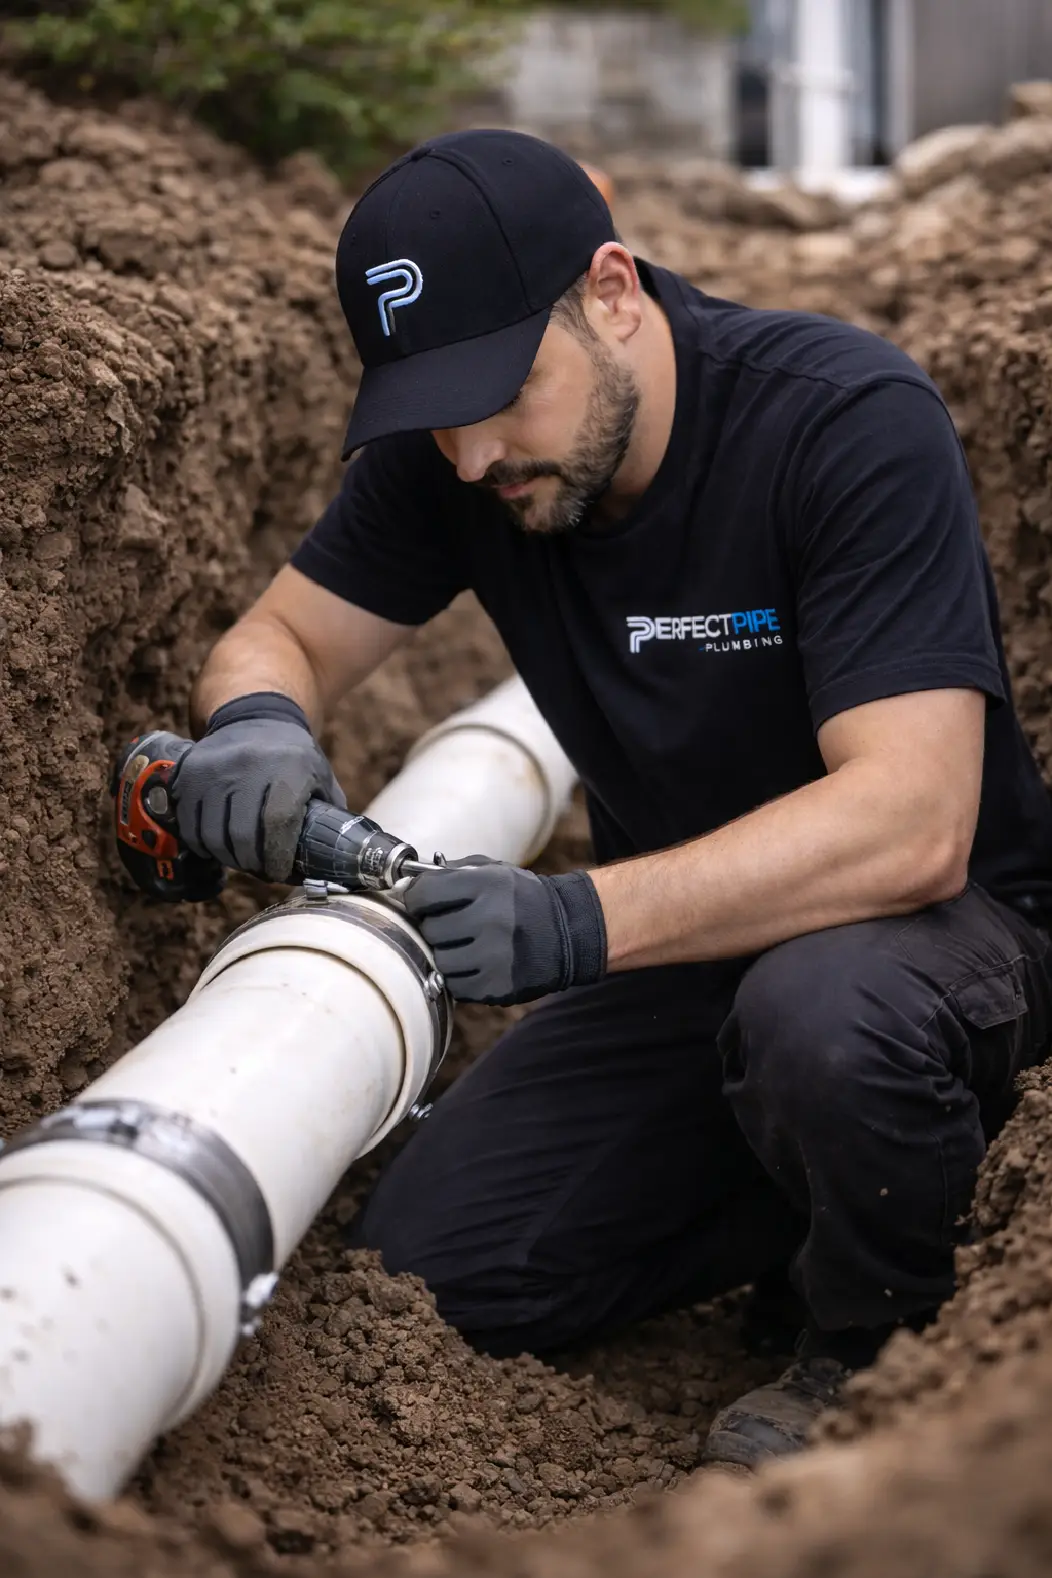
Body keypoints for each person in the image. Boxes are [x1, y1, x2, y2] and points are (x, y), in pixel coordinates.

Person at [171, 129, 1052, 1468]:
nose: (472, 455)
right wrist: (257, 724)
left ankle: (878, 1334)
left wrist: (571, 923)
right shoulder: (460, 456)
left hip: (941, 949)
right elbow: (270, 637)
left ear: (614, 290)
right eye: (436, 415)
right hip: (693, 964)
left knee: (825, 1015)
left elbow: (913, 823)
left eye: (503, 393)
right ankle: (821, 1183)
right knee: (443, 1269)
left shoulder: (841, 422)